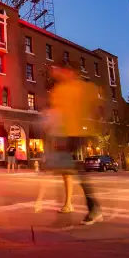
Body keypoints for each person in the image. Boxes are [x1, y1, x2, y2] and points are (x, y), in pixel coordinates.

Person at [47, 66, 101, 225]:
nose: (57, 73)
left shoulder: (79, 88)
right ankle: (71, 204)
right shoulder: (60, 89)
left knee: (75, 171)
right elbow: (56, 112)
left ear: (70, 72)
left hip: (75, 133)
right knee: (66, 171)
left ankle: (93, 207)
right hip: (65, 134)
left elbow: (92, 105)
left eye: (61, 71)